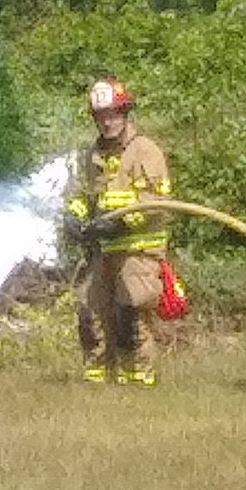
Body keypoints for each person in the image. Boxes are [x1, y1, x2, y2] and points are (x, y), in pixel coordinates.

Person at [62, 76, 173, 385]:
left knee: (131, 315)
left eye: (112, 113)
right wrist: (74, 218)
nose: (107, 122)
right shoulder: (93, 155)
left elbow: (156, 202)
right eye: (101, 116)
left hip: (138, 250)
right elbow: (84, 196)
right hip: (104, 252)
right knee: (90, 314)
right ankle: (98, 379)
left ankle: (137, 379)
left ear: (125, 113)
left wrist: (122, 221)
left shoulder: (145, 151)